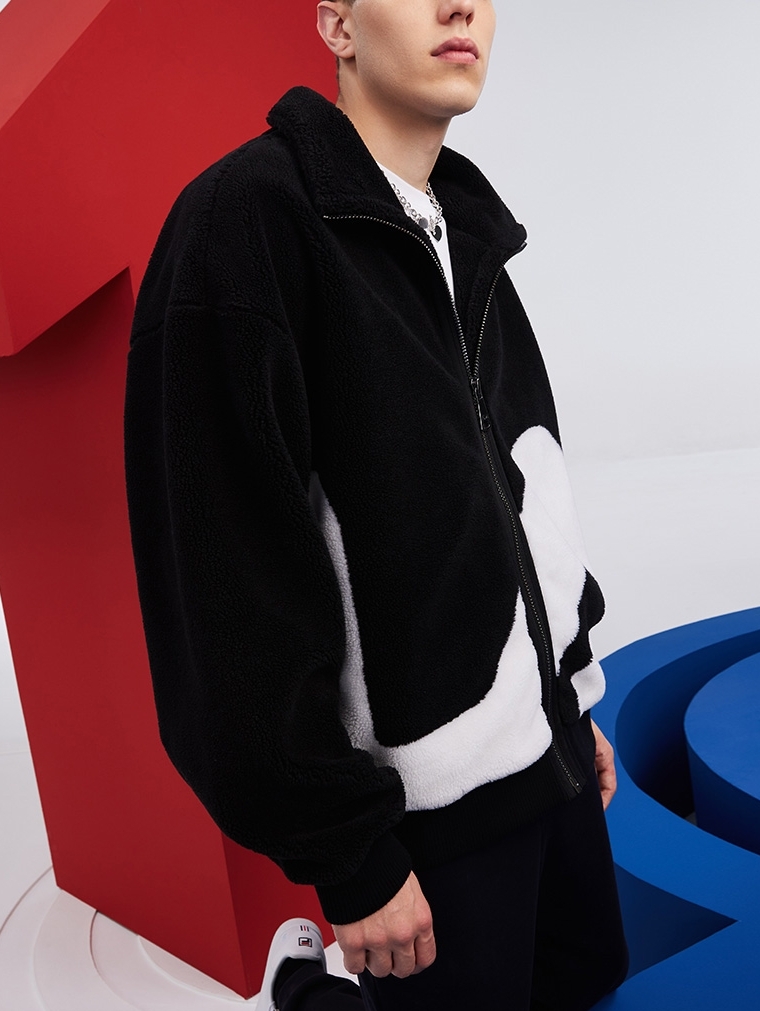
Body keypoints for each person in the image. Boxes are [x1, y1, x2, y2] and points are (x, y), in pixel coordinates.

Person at [124, 1, 629, 1009]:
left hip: (552, 757)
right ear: (337, 26)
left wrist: (567, 694)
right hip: (421, 817)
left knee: (586, 981)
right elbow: (223, 574)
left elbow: (523, 486)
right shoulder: (246, 221)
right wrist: (346, 852)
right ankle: (306, 989)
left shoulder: (464, 225)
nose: (460, 7)